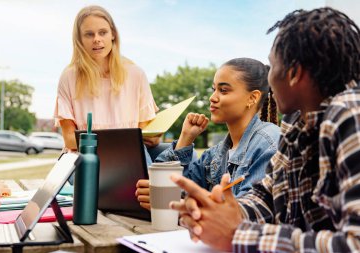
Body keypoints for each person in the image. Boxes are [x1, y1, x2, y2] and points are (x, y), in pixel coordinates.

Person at [170, 7, 360, 252]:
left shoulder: (350, 114)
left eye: (272, 66)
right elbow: (266, 195)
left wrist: (236, 236)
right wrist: (221, 212)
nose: (270, 79)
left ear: (293, 73)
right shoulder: (295, 122)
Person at [136, 58, 280, 210]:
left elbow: (246, 213)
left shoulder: (269, 143)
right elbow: (161, 184)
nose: (212, 98)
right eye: (214, 90)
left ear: (252, 98)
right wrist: (185, 139)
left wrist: (172, 199)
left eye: (223, 90)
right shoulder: (215, 154)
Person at [54, 5, 159, 154]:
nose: (97, 39)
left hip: (128, 154)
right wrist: (120, 141)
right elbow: (70, 140)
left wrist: (153, 137)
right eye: (89, 34)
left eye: (102, 32)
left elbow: (147, 132)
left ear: (113, 34)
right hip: (85, 156)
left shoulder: (136, 74)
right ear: (79, 40)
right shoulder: (68, 77)